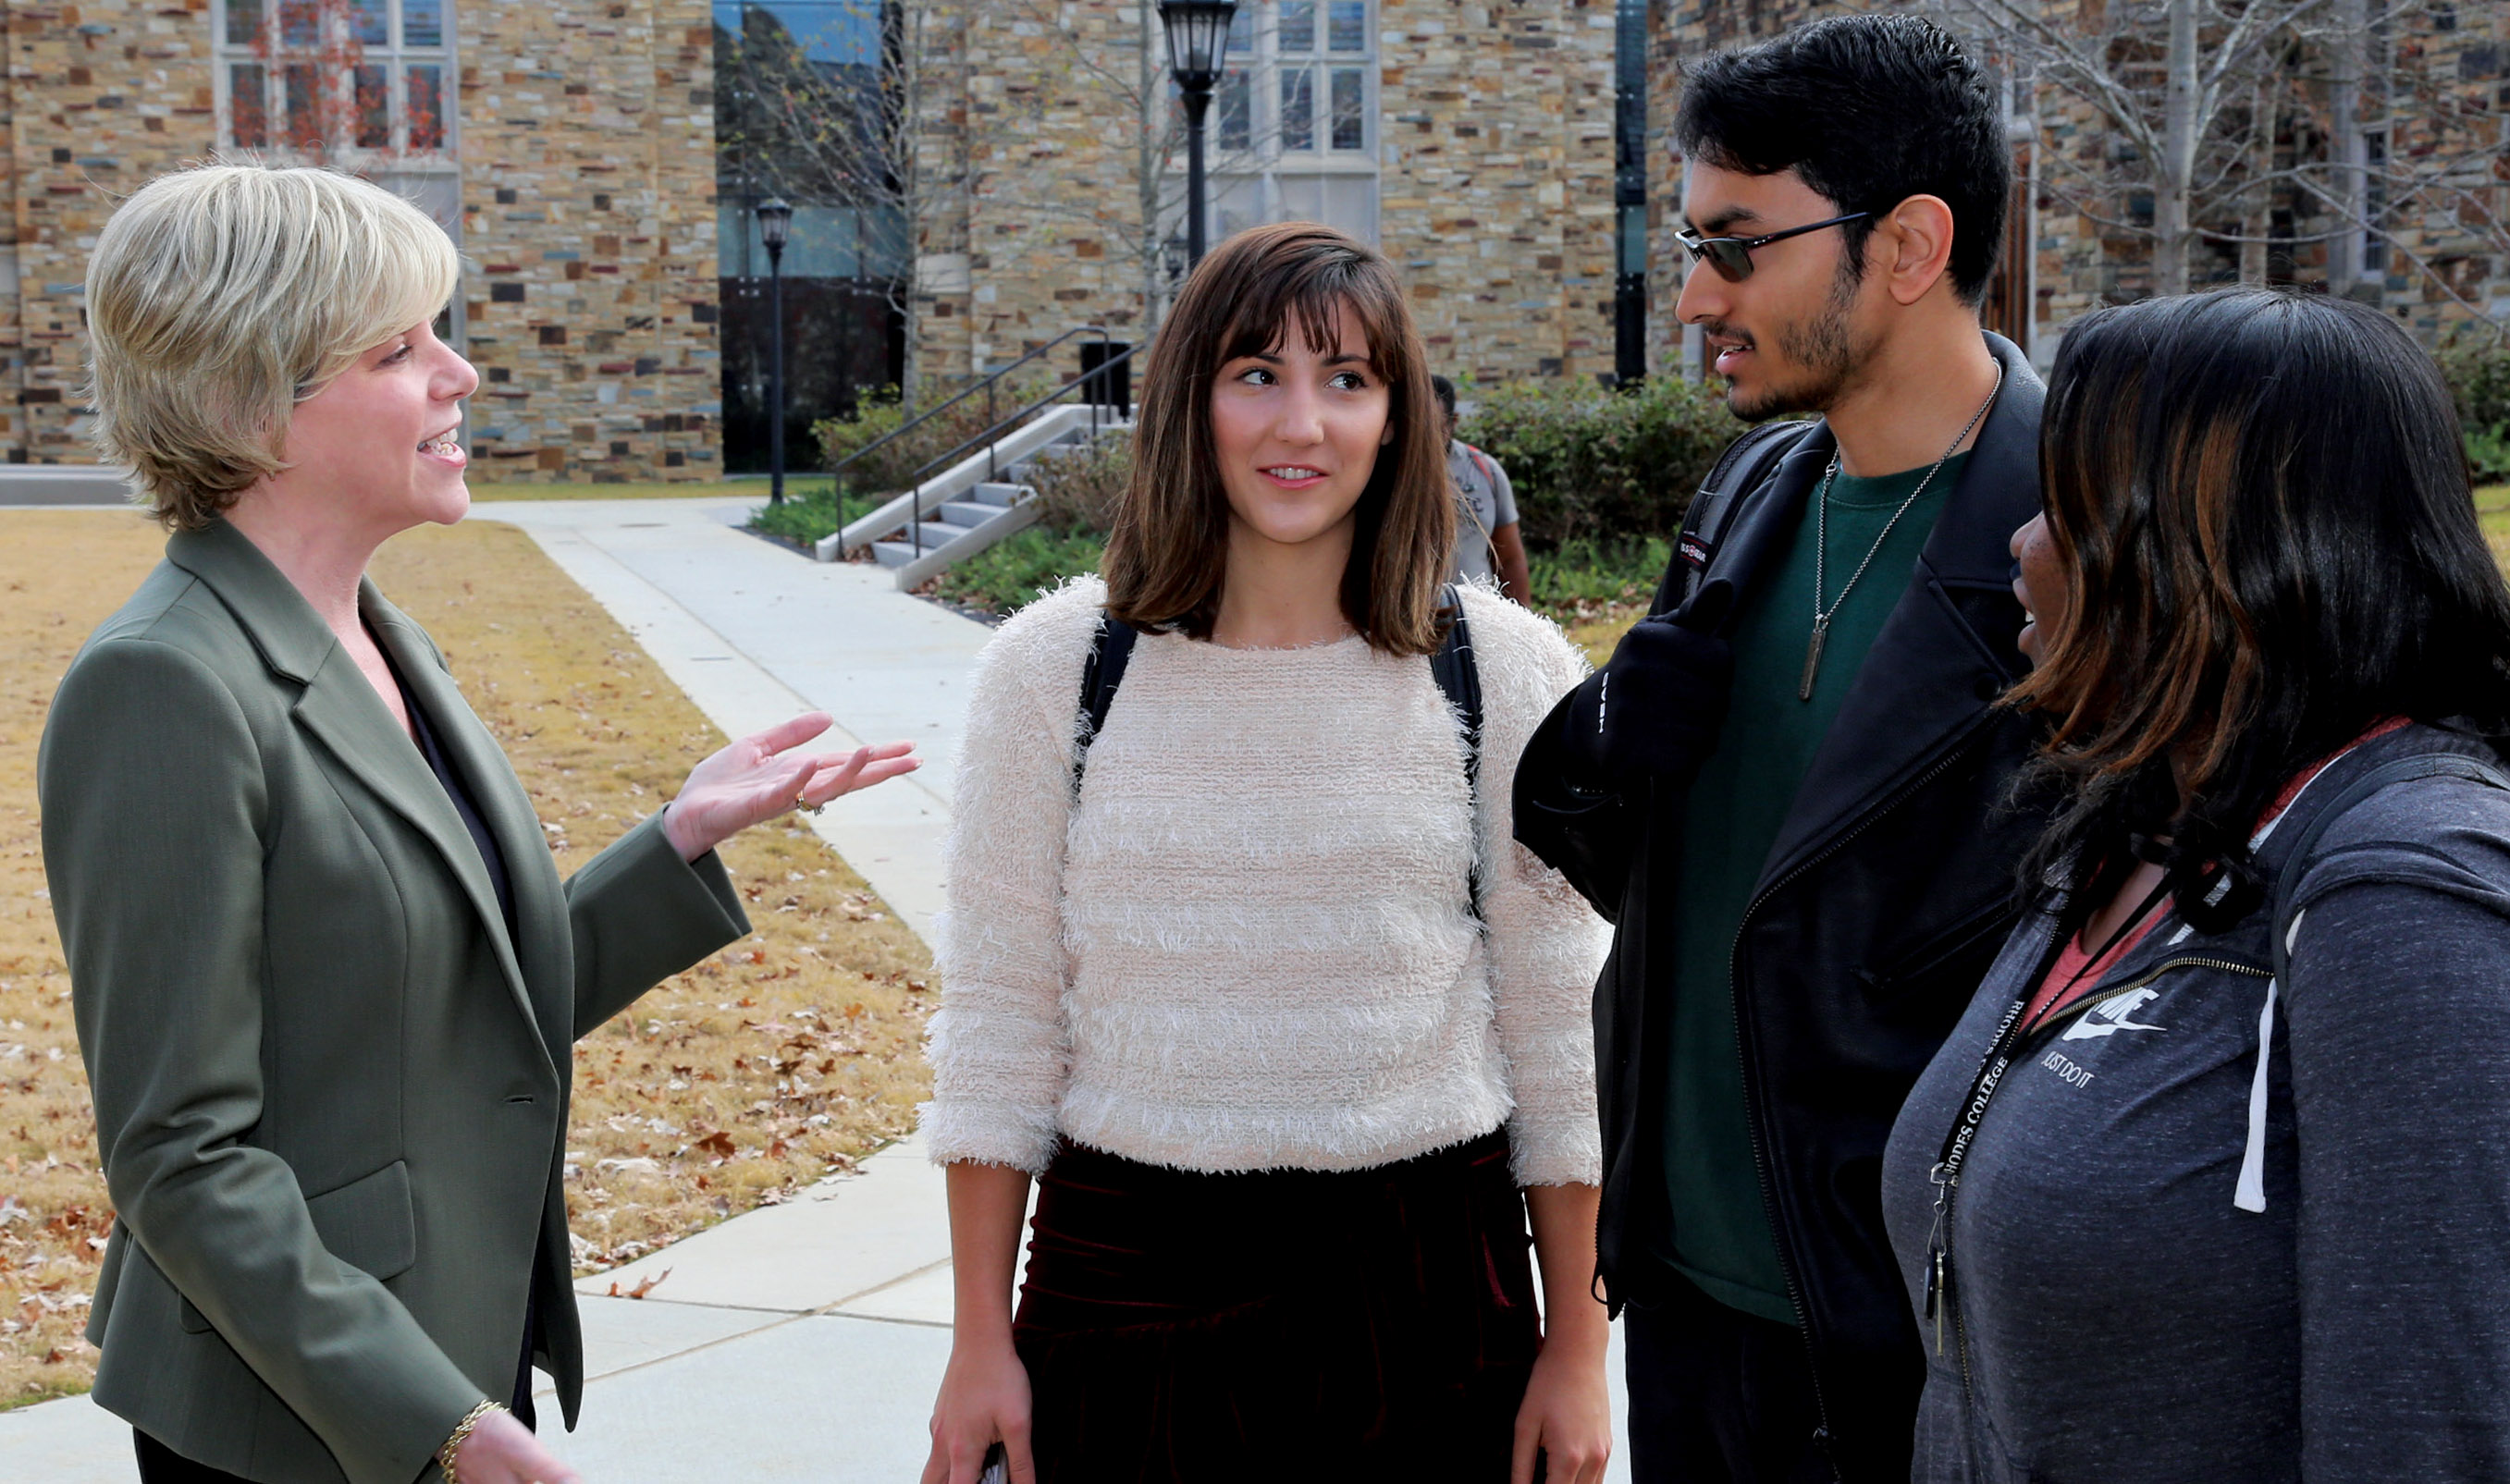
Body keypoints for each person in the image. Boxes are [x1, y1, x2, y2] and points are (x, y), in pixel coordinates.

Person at [40, 163, 918, 1484]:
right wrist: (435, 1425)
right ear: (243, 397)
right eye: (399, 348)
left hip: (447, 1353)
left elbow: (437, 1009)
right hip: (302, 1415)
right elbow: (180, 1157)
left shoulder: (386, 641)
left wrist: (676, 841)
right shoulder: (162, 684)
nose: (458, 376)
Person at [918, 222, 1614, 1484]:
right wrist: (977, 1340)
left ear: (1399, 417)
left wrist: (1579, 1344)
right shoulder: (1055, 669)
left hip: (1432, 1289)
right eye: (1257, 375)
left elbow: (1558, 1033)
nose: (1302, 424)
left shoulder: (1503, 670)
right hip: (1128, 1284)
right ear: (1190, 399)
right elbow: (997, 1025)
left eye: (1345, 380)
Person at [1511, 16, 2054, 1483]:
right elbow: (1684, 860)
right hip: (1687, 1302)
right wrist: (1610, 742)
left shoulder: (2083, 538)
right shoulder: (1752, 486)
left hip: (1918, 1338)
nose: (1692, 296)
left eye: (1738, 246)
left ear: (1907, 245)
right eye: (1691, 242)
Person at [1881, 288, 2510, 1481]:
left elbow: (2432, 1432)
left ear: (2205, 542)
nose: (2018, 543)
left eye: (2063, 504)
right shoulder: (2134, 821)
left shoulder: (2405, 903)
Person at [1433, 374, 1532, 601]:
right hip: (1410, 623)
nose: (1425, 438)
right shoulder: (1389, 474)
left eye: (1435, 427)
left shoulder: (1483, 469)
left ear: (1453, 422)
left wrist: (1521, 622)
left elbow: (1510, 558)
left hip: (1479, 620)